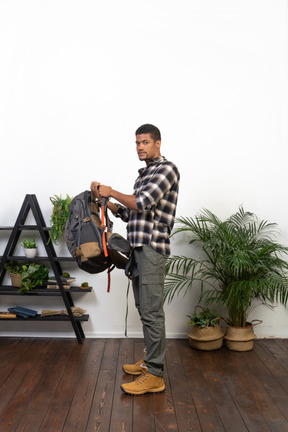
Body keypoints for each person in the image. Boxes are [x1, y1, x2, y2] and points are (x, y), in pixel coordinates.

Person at [90, 124, 180, 395]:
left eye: (145, 142)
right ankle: (149, 361)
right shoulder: (143, 175)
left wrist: (112, 191)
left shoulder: (167, 169)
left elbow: (141, 202)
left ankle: (155, 374)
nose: (140, 147)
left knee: (152, 311)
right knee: (144, 309)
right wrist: (107, 201)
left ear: (158, 143)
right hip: (138, 247)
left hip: (152, 248)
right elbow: (132, 214)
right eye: (137, 143)